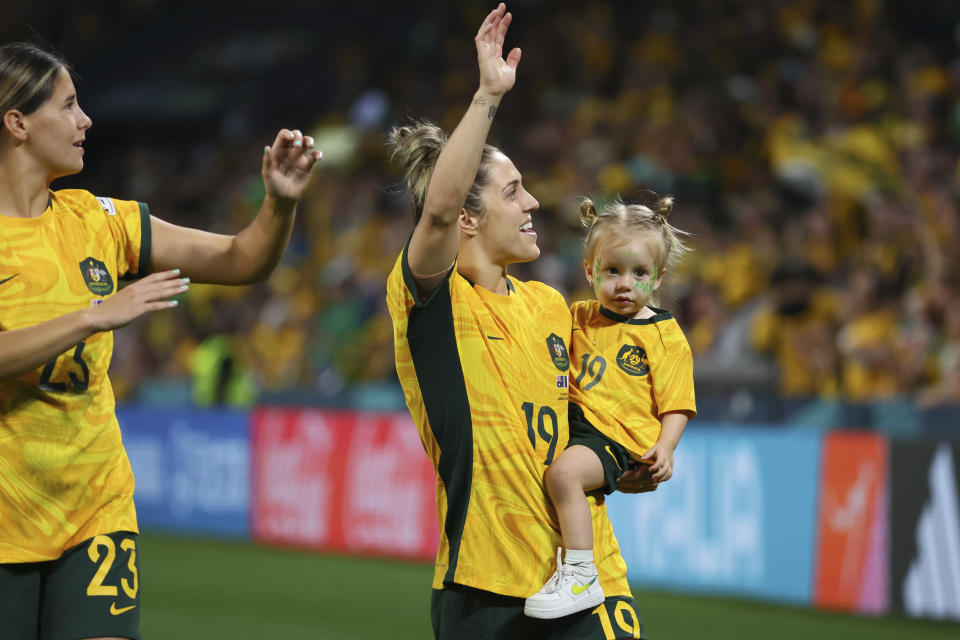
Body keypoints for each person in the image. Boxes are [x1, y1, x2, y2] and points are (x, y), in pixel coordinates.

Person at [0, 42, 320, 640]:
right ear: (17, 123)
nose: (85, 120)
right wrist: (90, 317)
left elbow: (240, 258)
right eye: (68, 106)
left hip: (95, 510)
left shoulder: (102, 220)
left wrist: (278, 204)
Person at [385, 5, 653, 638]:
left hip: (587, 576)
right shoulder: (433, 304)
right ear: (469, 220)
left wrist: (622, 465)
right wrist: (486, 96)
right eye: (513, 192)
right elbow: (438, 210)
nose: (533, 202)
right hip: (485, 587)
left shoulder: (552, 307)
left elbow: (590, 423)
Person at [524, 195, 697, 619]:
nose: (625, 284)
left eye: (639, 273)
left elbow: (677, 402)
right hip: (580, 429)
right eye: (613, 271)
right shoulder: (578, 317)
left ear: (657, 279)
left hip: (617, 439)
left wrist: (667, 446)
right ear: (590, 271)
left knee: (563, 474)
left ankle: (581, 575)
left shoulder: (665, 336)